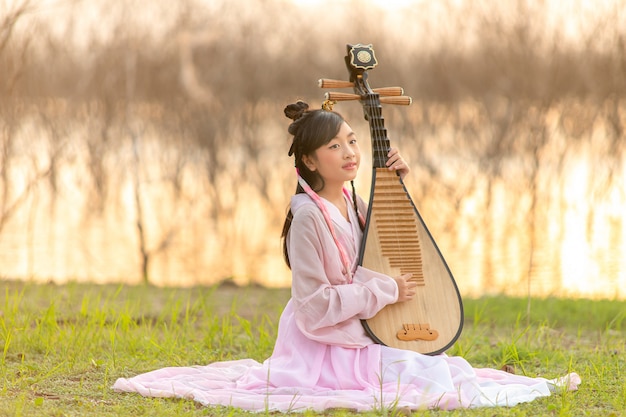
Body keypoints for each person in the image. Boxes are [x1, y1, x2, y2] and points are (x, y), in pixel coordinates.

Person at [112, 100, 580, 411]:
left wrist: (396, 181)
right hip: (324, 346)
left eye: (353, 141)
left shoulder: (349, 201)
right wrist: (385, 291)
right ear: (310, 161)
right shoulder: (309, 216)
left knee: (438, 369)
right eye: (334, 146)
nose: (350, 152)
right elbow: (315, 310)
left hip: (355, 332)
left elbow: (382, 243)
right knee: (425, 378)